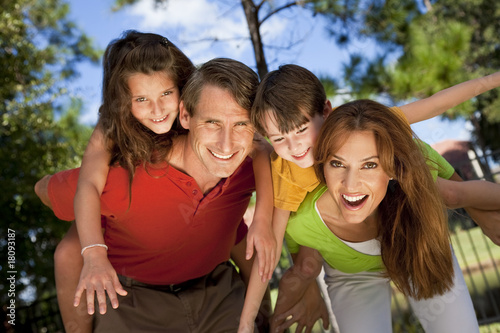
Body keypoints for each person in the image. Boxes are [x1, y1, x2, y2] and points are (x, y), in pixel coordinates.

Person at [237, 64, 500, 332]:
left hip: (409, 232)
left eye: (301, 129)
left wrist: (492, 79)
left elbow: (432, 105)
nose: (294, 147)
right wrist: (247, 321)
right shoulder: (287, 173)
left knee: (451, 193)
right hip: (351, 266)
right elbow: (271, 246)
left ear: (326, 112)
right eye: (279, 138)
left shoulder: (358, 123)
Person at [35, 57, 272, 332]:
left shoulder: (255, 167)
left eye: (241, 124)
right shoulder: (126, 177)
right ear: (185, 116)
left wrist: (306, 271)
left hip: (217, 291)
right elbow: (43, 190)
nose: (226, 143)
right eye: (212, 122)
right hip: (132, 302)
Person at [274, 99, 480, 332]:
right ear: (322, 165)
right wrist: (307, 287)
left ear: (393, 166)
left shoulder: (412, 166)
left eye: (369, 165)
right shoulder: (304, 219)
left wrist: (483, 216)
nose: (351, 185)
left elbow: (456, 190)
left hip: (415, 248)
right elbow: (300, 255)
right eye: (337, 163)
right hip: (353, 274)